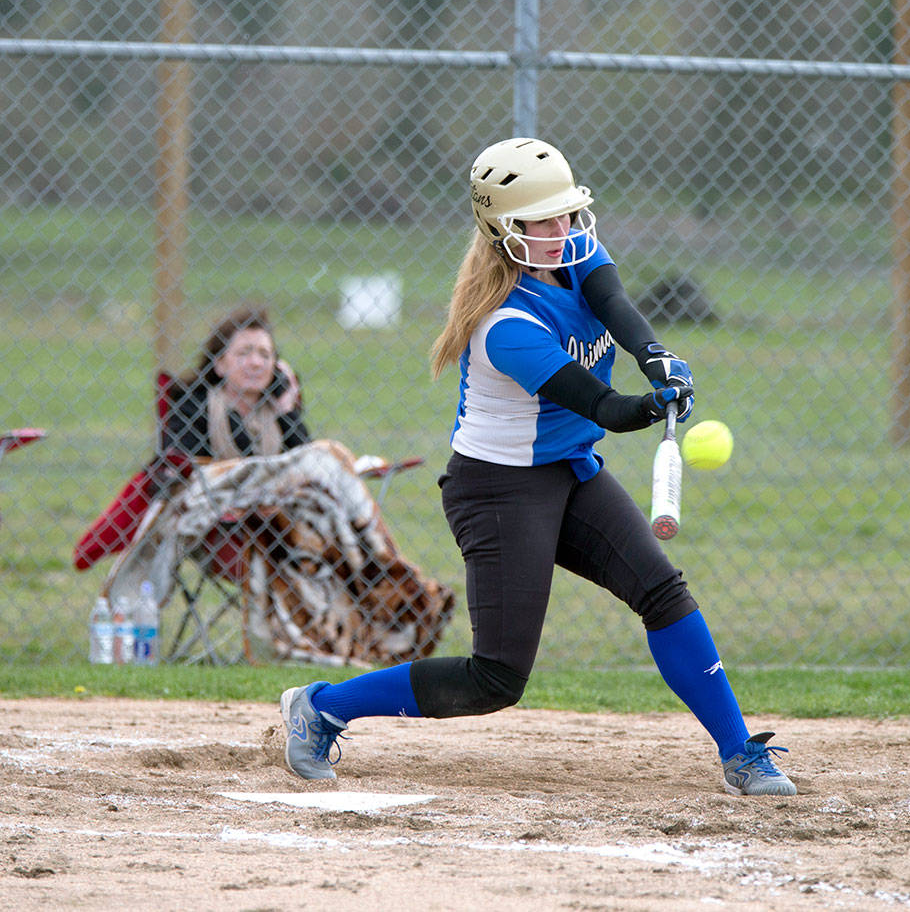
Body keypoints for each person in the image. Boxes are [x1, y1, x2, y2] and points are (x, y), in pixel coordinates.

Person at [279, 137, 795, 797]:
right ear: (504, 231)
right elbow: (603, 405)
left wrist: (659, 359)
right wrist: (650, 402)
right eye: (543, 221)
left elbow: (616, 307)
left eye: (566, 214)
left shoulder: (574, 254)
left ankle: (741, 753)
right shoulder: (505, 327)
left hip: (569, 470)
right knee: (494, 679)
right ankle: (321, 707)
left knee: (662, 592)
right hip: (497, 492)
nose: (563, 230)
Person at [165, 305, 309, 460]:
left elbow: (310, 465)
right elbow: (181, 468)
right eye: (243, 353)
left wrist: (286, 410)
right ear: (220, 364)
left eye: (265, 354)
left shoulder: (281, 413)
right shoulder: (193, 409)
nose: (256, 363)